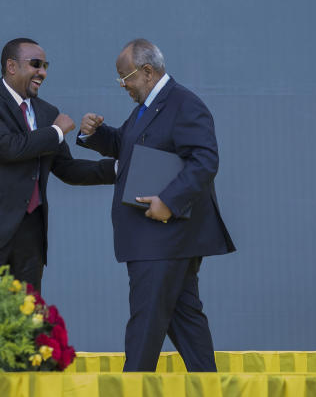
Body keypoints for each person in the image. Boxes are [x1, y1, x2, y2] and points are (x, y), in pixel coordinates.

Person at [77, 38, 235, 372]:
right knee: (186, 322)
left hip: (164, 238)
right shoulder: (149, 107)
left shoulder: (183, 104)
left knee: (145, 326)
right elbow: (127, 145)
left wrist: (169, 201)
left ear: (147, 71)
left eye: (126, 78)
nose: (124, 86)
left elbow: (205, 161)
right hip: (158, 240)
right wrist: (96, 134)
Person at [0, 38, 115, 292]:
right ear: (11, 66)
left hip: (30, 234)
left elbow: (67, 168)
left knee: (27, 318)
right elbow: (9, 148)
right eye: (36, 64)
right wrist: (57, 131)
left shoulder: (47, 112)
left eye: (45, 66)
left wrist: (117, 169)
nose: (42, 73)